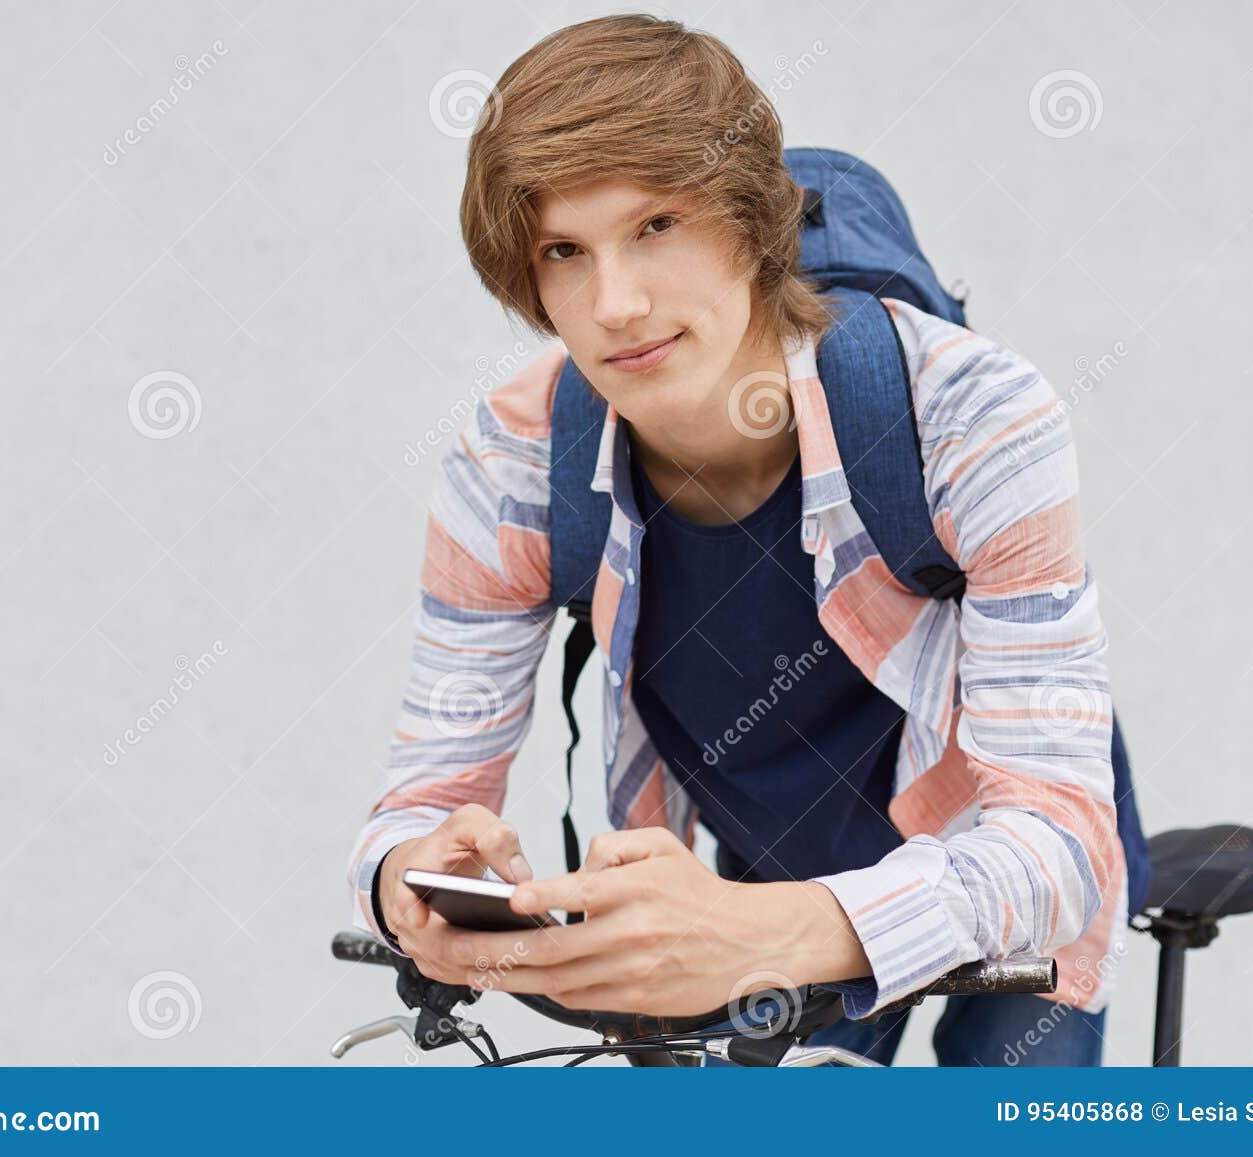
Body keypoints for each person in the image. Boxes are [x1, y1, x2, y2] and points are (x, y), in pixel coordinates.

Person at [346, 13, 1129, 1065]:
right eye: (564, 251)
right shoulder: (512, 464)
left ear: (752, 221)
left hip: (992, 833)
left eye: (657, 224)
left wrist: (762, 932)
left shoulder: (971, 416)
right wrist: (416, 877)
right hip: (759, 853)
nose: (615, 304)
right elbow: (422, 801)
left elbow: (1056, 840)